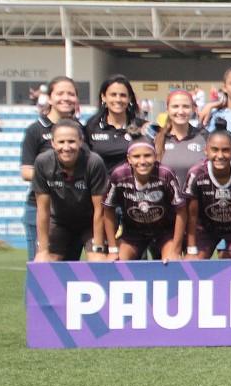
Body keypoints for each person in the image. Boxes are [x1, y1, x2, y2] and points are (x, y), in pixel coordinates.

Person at [20, 76, 80, 260]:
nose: (66, 97)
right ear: (50, 98)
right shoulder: (35, 130)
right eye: (60, 93)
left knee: (69, 277)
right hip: (41, 210)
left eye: (71, 93)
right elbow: (26, 172)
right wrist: (58, 177)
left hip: (73, 212)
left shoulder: (80, 129)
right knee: (42, 273)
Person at [31, 120, 109, 262]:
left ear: (80, 141)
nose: (66, 147)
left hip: (90, 222)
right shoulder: (42, 162)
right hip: (59, 221)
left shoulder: (94, 162)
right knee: (42, 262)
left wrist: (98, 247)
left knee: (99, 261)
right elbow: (43, 209)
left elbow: (100, 209)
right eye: (61, 142)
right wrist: (43, 250)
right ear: (53, 143)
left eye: (71, 141)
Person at [183, 124, 231, 259]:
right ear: (206, 150)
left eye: (226, 150)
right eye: (214, 150)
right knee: (195, 262)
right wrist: (192, 250)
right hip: (205, 230)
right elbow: (191, 215)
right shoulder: (196, 174)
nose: (220, 155)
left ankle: (229, 253)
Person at [102, 142, 186, 262]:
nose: (142, 161)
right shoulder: (119, 175)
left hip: (165, 231)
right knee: (118, 262)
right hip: (133, 232)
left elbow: (181, 210)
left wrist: (176, 249)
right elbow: (108, 209)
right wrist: (112, 249)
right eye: (136, 157)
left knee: (171, 263)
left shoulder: (165, 174)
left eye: (147, 156)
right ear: (129, 159)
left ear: (155, 156)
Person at [85, 75, 149, 173]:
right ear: (103, 97)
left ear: (129, 98)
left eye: (123, 95)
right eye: (113, 95)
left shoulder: (143, 127)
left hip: (133, 187)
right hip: (101, 186)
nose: (118, 99)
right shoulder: (92, 126)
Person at [152, 90, 206, 187]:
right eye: (175, 106)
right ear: (167, 109)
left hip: (198, 201)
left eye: (186, 106)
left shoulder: (205, 137)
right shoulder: (156, 139)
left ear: (193, 109)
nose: (180, 111)